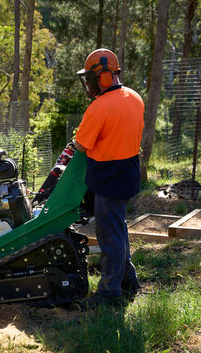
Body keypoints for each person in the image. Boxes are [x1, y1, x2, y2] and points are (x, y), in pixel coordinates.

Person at [73, 48, 145, 309]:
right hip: (128, 171)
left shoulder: (99, 107)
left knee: (109, 234)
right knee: (118, 228)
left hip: (108, 176)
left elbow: (80, 146)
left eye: (90, 79)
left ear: (102, 77)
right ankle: (128, 280)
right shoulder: (135, 98)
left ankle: (109, 293)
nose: (88, 84)